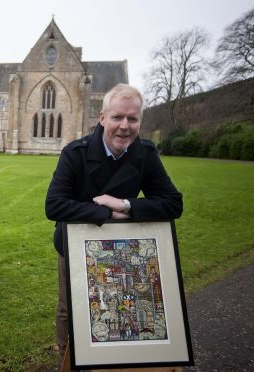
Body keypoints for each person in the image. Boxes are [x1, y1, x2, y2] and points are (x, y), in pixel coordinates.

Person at [45, 84, 183, 361]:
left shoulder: (144, 153)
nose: (125, 126)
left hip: (124, 249)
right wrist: (105, 212)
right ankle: (66, 360)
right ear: (102, 117)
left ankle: (114, 360)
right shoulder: (75, 153)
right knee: (70, 307)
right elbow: (54, 205)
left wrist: (126, 205)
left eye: (132, 119)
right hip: (74, 244)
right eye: (118, 117)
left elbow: (173, 203)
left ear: (140, 121)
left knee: (121, 305)